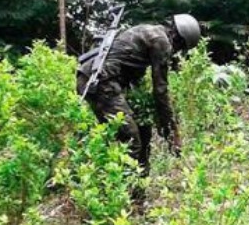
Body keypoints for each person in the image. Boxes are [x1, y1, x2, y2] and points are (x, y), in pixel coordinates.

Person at [77, 14, 202, 174]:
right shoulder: (161, 41)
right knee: (131, 139)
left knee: (140, 131)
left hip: (94, 79)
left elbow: (136, 81)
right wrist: (172, 132)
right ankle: (122, 192)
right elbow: (160, 91)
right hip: (100, 82)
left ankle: (137, 187)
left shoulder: (149, 31)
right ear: (179, 39)